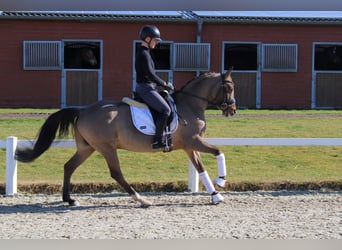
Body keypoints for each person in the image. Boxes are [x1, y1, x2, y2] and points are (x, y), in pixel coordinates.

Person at [135, 25, 174, 150]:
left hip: (149, 87)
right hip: (146, 88)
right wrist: (164, 84)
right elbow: (151, 75)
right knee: (165, 110)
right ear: (147, 39)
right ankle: (157, 141)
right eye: (155, 40)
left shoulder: (145, 53)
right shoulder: (143, 54)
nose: (156, 43)